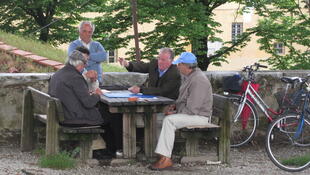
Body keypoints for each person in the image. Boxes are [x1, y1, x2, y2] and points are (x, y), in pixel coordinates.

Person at [150, 52, 213, 170]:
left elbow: (193, 109)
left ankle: (166, 159)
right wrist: (174, 107)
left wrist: (174, 113)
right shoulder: (191, 76)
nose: (177, 67)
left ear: (186, 65)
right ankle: (161, 154)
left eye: (179, 64)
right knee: (158, 117)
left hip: (200, 117)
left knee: (169, 120)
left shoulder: (198, 80)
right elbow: (185, 101)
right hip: (193, 114)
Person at [48, 50, 103, 126]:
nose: (85, 67)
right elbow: (88, 103)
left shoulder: (58, 74)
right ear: (79, 64)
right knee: (112, 116)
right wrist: (97, 95)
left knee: (108, 117)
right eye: (84, 64)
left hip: (62, 114)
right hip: (73, 118)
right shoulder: (76, 77)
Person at [68, 21, 107, 85]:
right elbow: (73, 60)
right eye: (84, 31)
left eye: (90, 32)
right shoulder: (73, 45)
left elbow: (103, 56)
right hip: (80, 80)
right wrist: (96, 60)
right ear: (79, 31)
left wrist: (87, 56)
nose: (87, 34)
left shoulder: (97, 44)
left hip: (97, 81)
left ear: (92, 33)